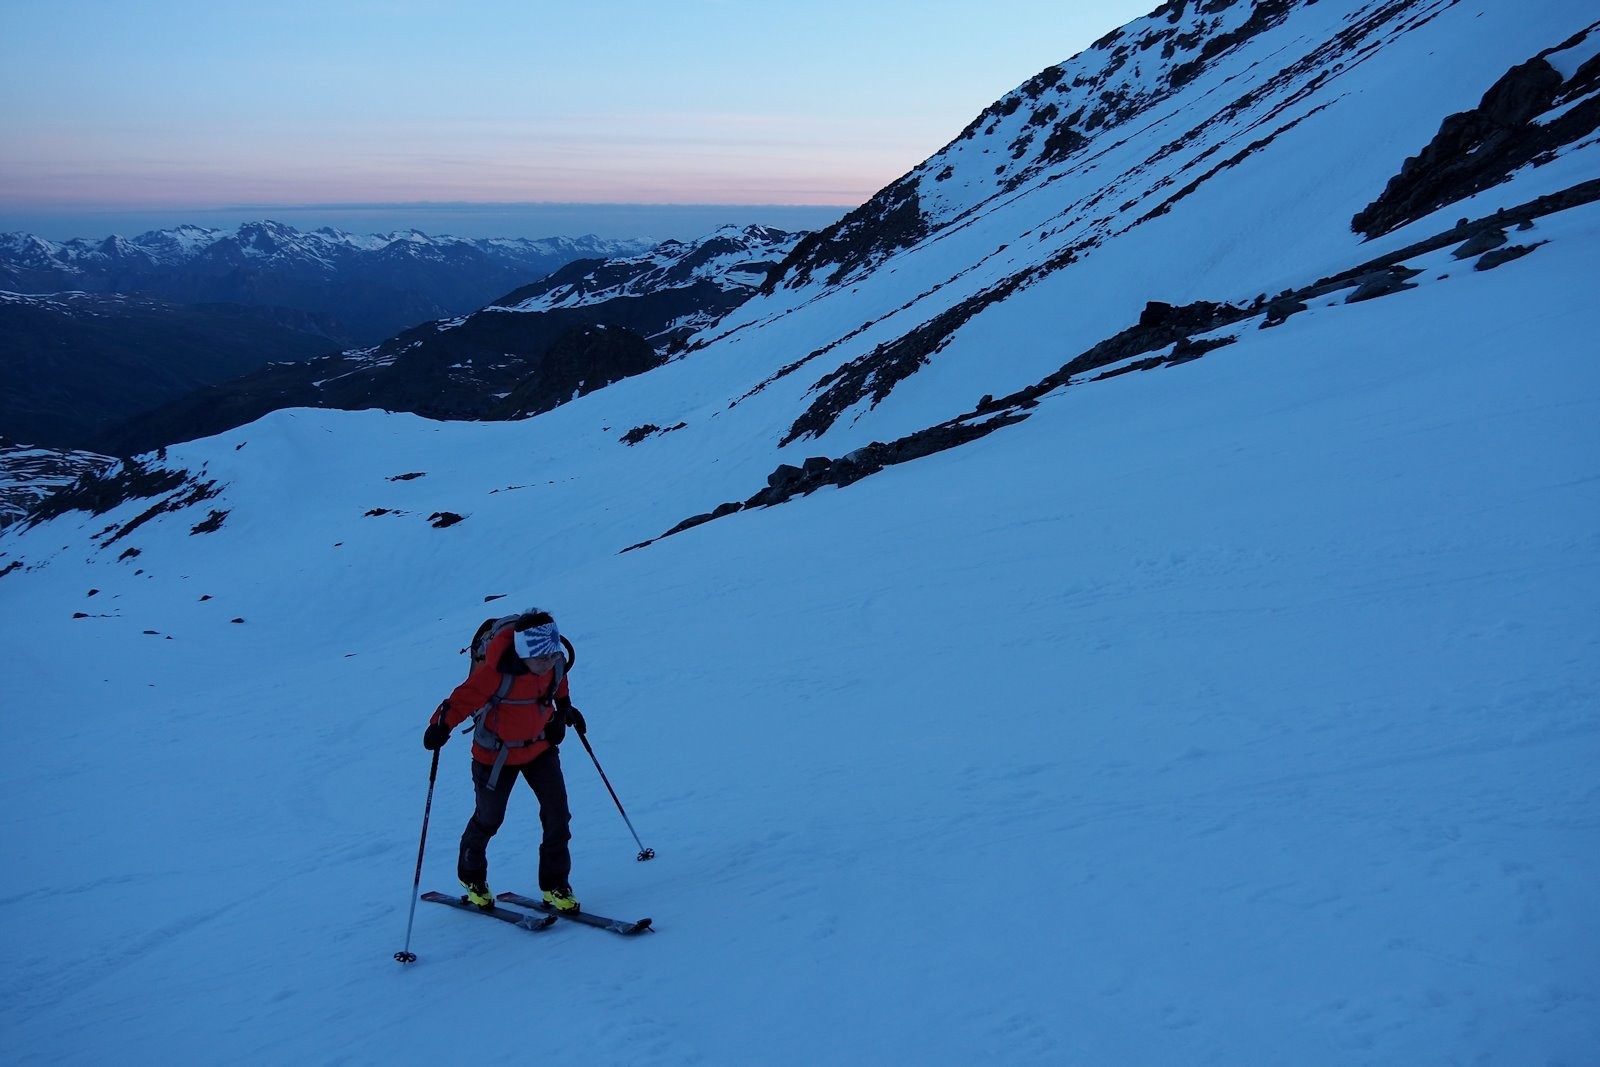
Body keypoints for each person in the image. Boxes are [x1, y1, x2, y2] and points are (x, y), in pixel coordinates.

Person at [422, 608, 587, 912]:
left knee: (558, 816)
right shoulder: (495, 673)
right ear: (523, 654)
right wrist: (439, 726)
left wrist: (563, 711)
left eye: (552, 657)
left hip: (540, 748)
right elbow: (460, 700)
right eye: (542, 660)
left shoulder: (554, 663)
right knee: (489, 819)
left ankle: (555, 885)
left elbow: (559, 685)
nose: (549, 664)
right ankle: (471, 877)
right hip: (494, 755)